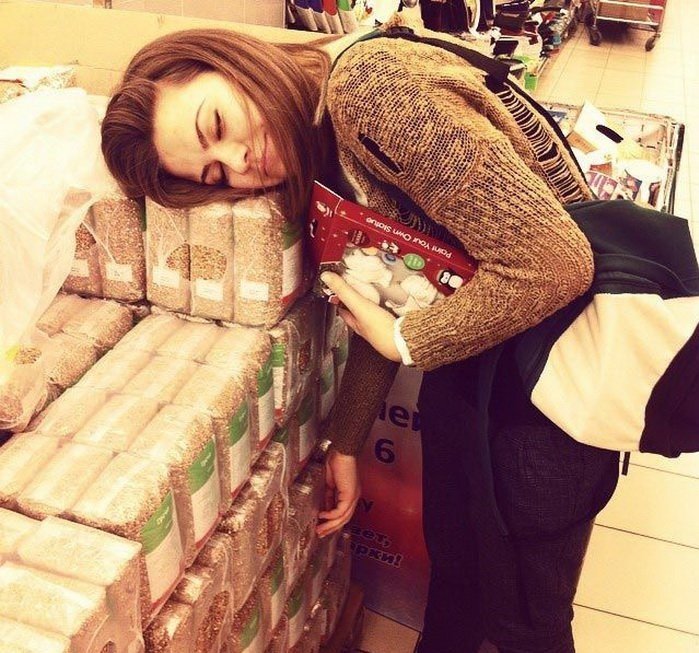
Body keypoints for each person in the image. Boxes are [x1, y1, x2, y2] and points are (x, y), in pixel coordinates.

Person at [101, 16, 620, 653]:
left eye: (217, 125)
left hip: (552, 383)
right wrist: (346, 441)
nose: (239, 161)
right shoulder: (319, 135)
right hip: (478, 363)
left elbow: (555, 263)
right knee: (456, 568)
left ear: (233, 62)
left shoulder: (371, 90)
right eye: (215, 176)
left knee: (524, 613)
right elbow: (401, 279)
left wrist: (409, 342)